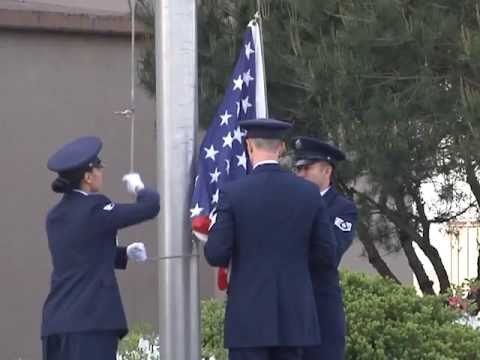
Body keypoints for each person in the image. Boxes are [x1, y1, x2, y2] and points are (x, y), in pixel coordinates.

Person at [204, 119, 337, 360]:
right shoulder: (308, 193)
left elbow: (216, 254)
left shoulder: (233, 194)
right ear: (281, 148)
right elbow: (326, 254)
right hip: (295, 319)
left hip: (249, 320)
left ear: (249, 147)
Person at [41, 136, 160, 360]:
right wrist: (139, 187)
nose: (102, 169)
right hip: (90, 322)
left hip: (56, 322)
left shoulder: (54, 216)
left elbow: (81, 254)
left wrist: (123, 253)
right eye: (98, 166)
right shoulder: (95, 207)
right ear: (87, 177)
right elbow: (150, 206)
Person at [293, 137, 358, 360]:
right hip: (290, 308)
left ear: (326, 170)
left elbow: (330, 253)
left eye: (306, 168)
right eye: (298, 168)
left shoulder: (343, 208)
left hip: (321, 310)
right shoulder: (289, 204)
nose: (300, 174)